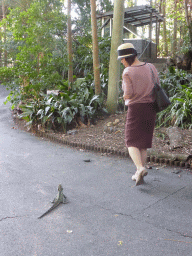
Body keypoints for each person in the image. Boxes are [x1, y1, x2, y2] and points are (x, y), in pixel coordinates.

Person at [117, 43, 159, 186]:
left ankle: (140, 168)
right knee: (143, 142)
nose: (121, 61)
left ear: (128, 57)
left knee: (130, 141)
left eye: (122, 59)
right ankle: (138, 174)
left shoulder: (128, 72)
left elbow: (128, 93)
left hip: (136, 108)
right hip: (151, 108)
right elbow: (157, 84)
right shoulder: (151, 67)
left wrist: (124, 97)